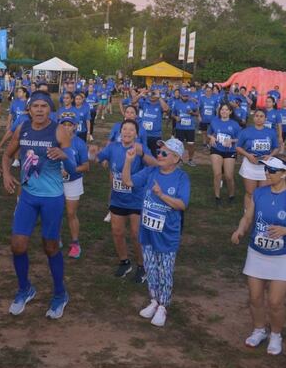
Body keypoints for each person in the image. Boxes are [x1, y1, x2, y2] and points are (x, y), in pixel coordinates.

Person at [2, 90, 76, 319]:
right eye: (36, 106)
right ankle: (25, 289)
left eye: (45, 106)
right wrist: (6, 174)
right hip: (28, 197)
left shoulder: (59, 130)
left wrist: (64, 156)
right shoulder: (22, 128)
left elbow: (74, 166)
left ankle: (60, 294)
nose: (40, 110)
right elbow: (7, 154)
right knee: (17, 245)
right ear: (29, 109)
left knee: (50, 246)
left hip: (52, 198)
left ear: (50, 109)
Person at [231, 156, 286, 355]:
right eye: (266, 169)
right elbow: (248, 217)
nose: (267, 173)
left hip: (283, 256)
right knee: (255, 297)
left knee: (275, 302)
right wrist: (240, 230)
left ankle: (276, 335)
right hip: (257, 253)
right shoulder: (259, 193)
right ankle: (259, 330)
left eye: (272, 170)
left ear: (285, 174)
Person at [122, 137, 190, 327]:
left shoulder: (181, 178)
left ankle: (163, 306)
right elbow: (127, 181)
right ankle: (154, 300)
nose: (159, 155)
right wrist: (128, 160)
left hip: (167, 234)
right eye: (159, 152)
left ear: (176, 158)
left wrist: (161, 195)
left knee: (165, 271)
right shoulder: (151, 171)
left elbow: (182, 204)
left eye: (164, 153)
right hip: (148, 231)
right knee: (151, 268)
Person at [92, 119, 148, 282]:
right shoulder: (113, 147)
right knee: (117, 232)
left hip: (136, 199)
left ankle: (141, 266)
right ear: (120, 132)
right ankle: (124, 262)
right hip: (117, 199)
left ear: (136, 134)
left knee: (136, 234)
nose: (127, 132)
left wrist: (143, 155)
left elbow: (153, 165)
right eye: (124, 129)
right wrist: (93, 152)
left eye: (131, 130)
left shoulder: (139, 149)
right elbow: (97, 158)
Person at [59, 113, 90, 260]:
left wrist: (72, 170)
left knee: (71, 213)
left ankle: (75, 243)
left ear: (75, 127)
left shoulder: (79, 144)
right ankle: (55, 238)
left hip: (73, 181)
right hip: (55, 182)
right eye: (63, 125)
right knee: (55, 212)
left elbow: (86, 166)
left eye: (69, 125)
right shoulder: (54, 141)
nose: (66, 128)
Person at [236, 109, 280, 213]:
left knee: (264, 193)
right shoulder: (246, 131)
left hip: (265, 167)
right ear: (253, 117)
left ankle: (261, 213)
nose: (259, 118)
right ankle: (247, 214)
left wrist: (270, 155)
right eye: (257, 116)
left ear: (265, 119)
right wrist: (248, 155)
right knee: (250, 192)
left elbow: (276, 148)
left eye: (261, 116)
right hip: (250, 166)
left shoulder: (271, 132)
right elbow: (238, 147)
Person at [208, 103, 242, 206]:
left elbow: (240, 138)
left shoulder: (235, 124)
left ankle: (231, 196)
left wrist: (231, 140)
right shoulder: (214, 121)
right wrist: (212, 137)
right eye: (222, 110)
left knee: (229, 176)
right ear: (219, 111)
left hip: (230, 151)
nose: (224, 111)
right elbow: (209, 132)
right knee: (217, 174)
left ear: (230, 112)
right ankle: (217, 197)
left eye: (226, 110)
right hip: (216, 149)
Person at [134, 89, 170, 156]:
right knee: (141, 154)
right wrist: (140, 95)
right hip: (143, 134)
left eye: (154, 94)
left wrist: (159, 97)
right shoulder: (145, 103)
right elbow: (133, 102)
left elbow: (166, 109)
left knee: (155, 156)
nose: (151, 95)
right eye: (151, 93)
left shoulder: (160, 105)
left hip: (155, 136)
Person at [170, 90, 198, 167]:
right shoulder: (177, 103)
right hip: (180, 128)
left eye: (186, 96)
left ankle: (190, 160)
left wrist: (192, 113)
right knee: (179, 144)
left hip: (190, 128)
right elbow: (172, 114)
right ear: (181, 96)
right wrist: (175, 117)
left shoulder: (192, 103)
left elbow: (197, 113)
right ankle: (179, 160)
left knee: (191, 144)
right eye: (184, 96)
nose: (185, 97)